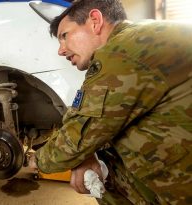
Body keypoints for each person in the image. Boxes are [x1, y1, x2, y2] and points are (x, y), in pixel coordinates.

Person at [33, 0, 192, 204]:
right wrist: (87, 153)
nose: (61, 50)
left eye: (65, 36)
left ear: (95, 21)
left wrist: (32, 161)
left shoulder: (120, 53)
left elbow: (76, 139)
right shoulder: (139, 36)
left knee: (101, 175)